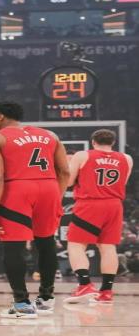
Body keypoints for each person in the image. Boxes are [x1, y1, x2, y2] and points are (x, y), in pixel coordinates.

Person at [0, 101, 69, 319]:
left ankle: (22, 303)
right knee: (46, 243)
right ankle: (46, 299)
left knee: (14, 246)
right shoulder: (50, 135)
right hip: (49, 187)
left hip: (18, 189)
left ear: (0, 116)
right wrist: (56, 197)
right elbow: (65, 172)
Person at [64, 129, 133, 304]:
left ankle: (84, 285)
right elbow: (123, 183)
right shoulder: (126, 158)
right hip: (114, 204)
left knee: (76, 245)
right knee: (108, 247)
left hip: (90, 203)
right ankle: (106, 291)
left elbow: (68, 181)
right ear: (113, 142)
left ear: (93, 142)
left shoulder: (82, 155)